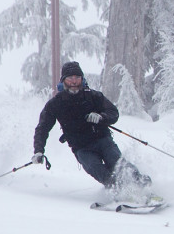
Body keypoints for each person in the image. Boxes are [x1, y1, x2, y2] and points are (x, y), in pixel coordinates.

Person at [32, 61, 151, 189]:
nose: (74, 81)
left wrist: (101, 117)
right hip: (81, 148)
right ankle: (117, 190)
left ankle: (142, 186)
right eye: (70, 78)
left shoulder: (93, 96)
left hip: (103, 140)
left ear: (82, 79)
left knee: (117, 162)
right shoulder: (55, 104)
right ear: (63, 81)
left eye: (77, 78)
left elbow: (113, 113)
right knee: (95, 168)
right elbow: (42, 128)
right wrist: (39, 151)